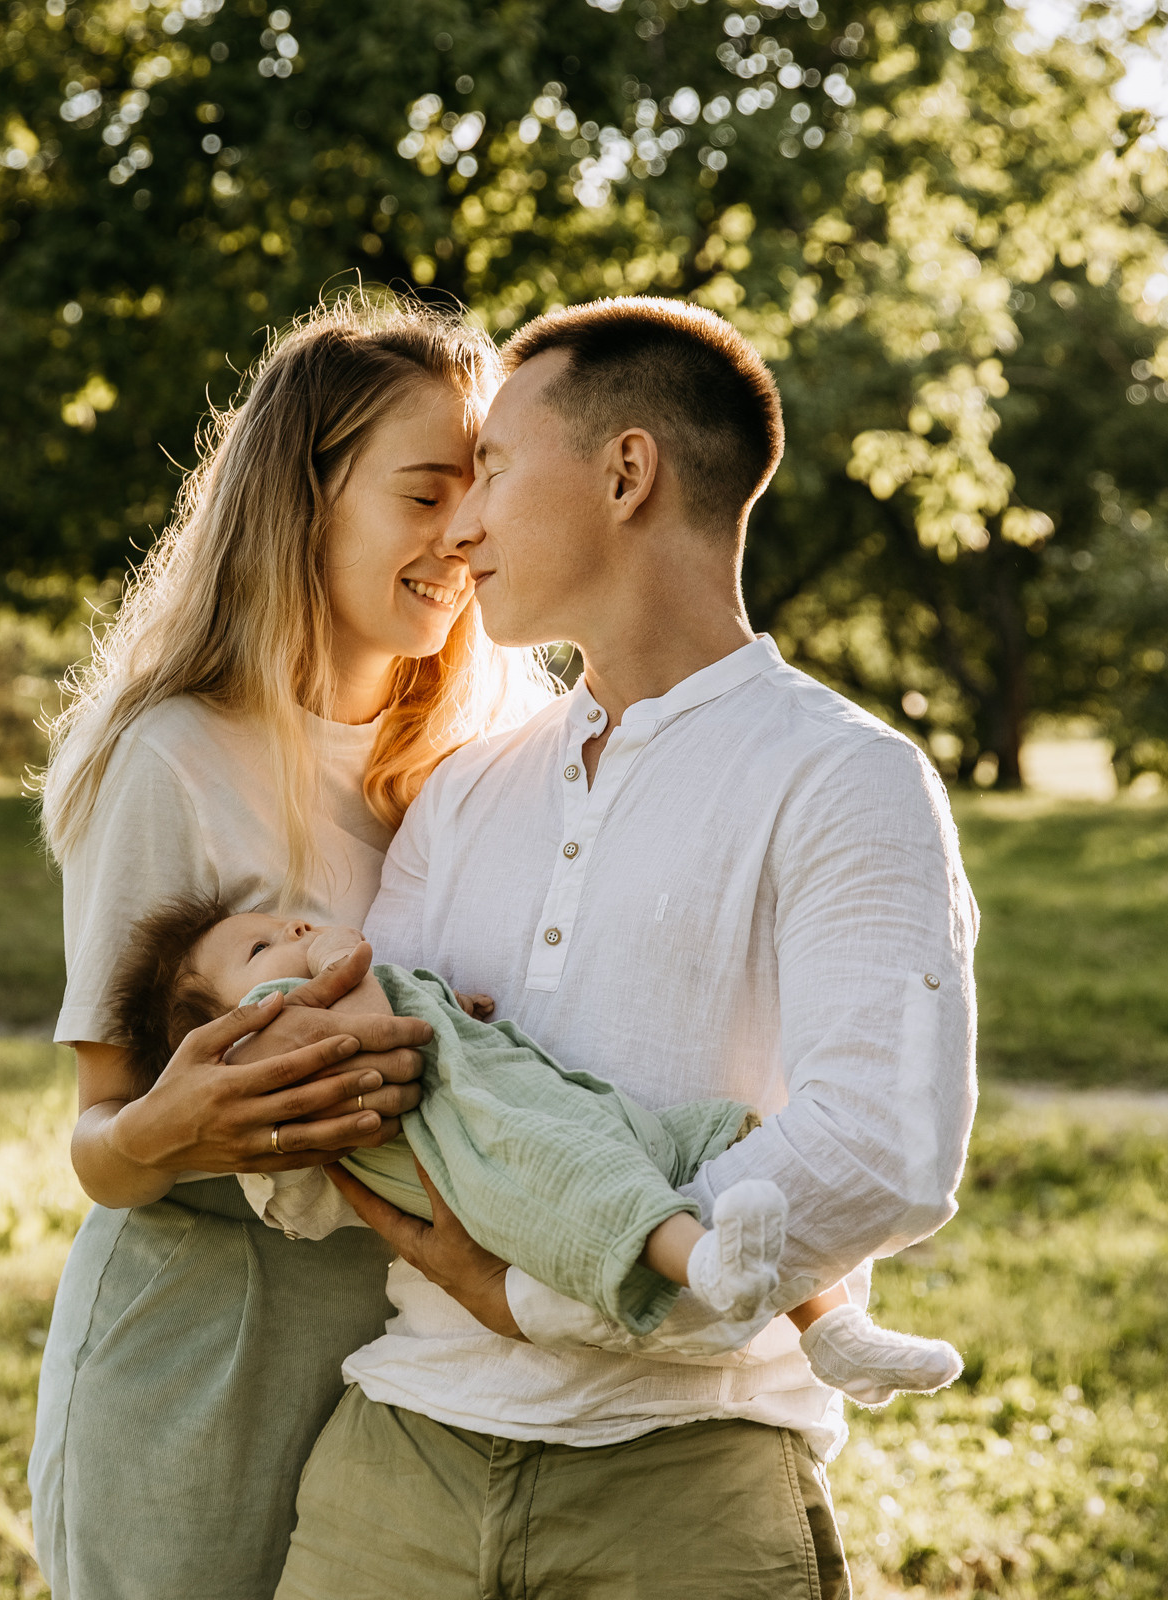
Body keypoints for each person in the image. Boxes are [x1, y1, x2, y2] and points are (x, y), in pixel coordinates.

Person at [272, 297, 982, 1600]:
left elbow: (879, 1148)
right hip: (398, 1467)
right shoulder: (464, 788)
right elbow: (371, 1094)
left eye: (491, 468)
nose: (463, 523)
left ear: (626, 471)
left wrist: (534, 1299)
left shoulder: (847, 782)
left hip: (686, 1485)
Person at [29, 294, 553, 1600]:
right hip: (213, 1348)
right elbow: (101, 1140)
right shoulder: (174, 760)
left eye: (482, 492)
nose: (465, 535)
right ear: (304, 501)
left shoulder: (480, 763)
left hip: (425, 1359)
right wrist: (182, 1122)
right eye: (425, 492)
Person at [108, 897, 967, 1402]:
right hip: (496, 1159)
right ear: (221, 1040)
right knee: (595, 1193)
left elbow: (413, 1019)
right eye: (261, 946)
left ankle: (833, 1327)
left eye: (282, 922)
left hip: (549, 1110)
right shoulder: (276, 1037)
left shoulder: (311, 998)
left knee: (719, 1129)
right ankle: (708, 1267)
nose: (291, 931)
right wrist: (331, 949)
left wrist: (454, 1007)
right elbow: (366, 1025)